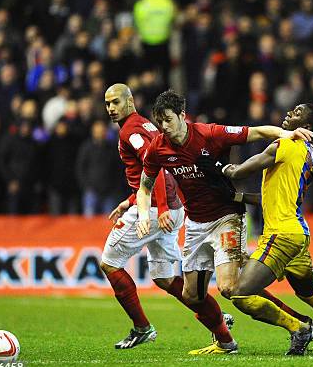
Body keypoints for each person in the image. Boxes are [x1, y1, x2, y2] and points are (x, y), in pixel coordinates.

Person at [136, 89, 313, 355]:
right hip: (195, 224)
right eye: (159, 121)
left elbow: (253, 132)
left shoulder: (209, 133)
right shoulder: (157, 148)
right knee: (191, 296)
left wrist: (284, 133)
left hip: (226, 218)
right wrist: (142, 214)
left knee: (230, 288)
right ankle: (225, 342)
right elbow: (144, 187)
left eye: (169, 120)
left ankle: (298, 325)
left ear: (183, 116)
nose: (164, 127)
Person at [208, 103, 313, 355]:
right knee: (311, 293)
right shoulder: (306, 154)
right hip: (298, 233)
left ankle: (298, 328)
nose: (289, 113)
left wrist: (219, 167)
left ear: (307, 127)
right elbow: (273, 197)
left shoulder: (284, 145)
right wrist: (238, 198)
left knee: (241, 294)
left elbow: (240, 171)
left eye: (297, 113)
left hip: (282, 235)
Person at [100, 84, 236, 351]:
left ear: (130, 101)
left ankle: (141, 327)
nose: (111, 109)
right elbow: (152, 170)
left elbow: (157, 168)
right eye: (107, 104)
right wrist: (130, 201)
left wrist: (158, 207)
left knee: (110, 263)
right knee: (164, 278)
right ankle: (220, 325)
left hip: (155, 210)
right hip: (169, 208)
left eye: (116, 102)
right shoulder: (145, 126)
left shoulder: (131, 131)